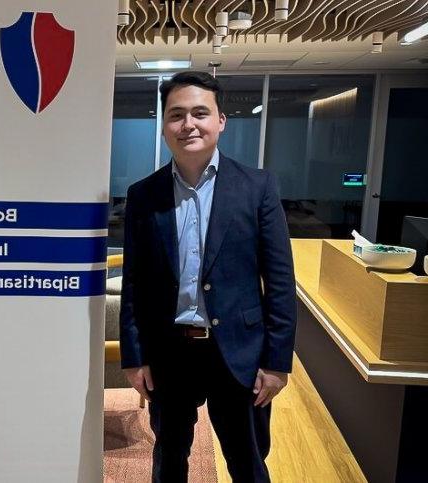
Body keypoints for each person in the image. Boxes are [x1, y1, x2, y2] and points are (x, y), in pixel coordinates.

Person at [119, 71, 297, 483]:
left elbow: (281, 283)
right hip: (170, 352)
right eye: (176, 115)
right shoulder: (143, 194)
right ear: (164, 125)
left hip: (237, 352)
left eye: (200, 112)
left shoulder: (258, 187)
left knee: (248, 464)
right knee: (169, 460)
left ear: (221, 121)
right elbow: (135, 283)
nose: (188, 124)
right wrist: (134, 355)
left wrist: (276, 361)